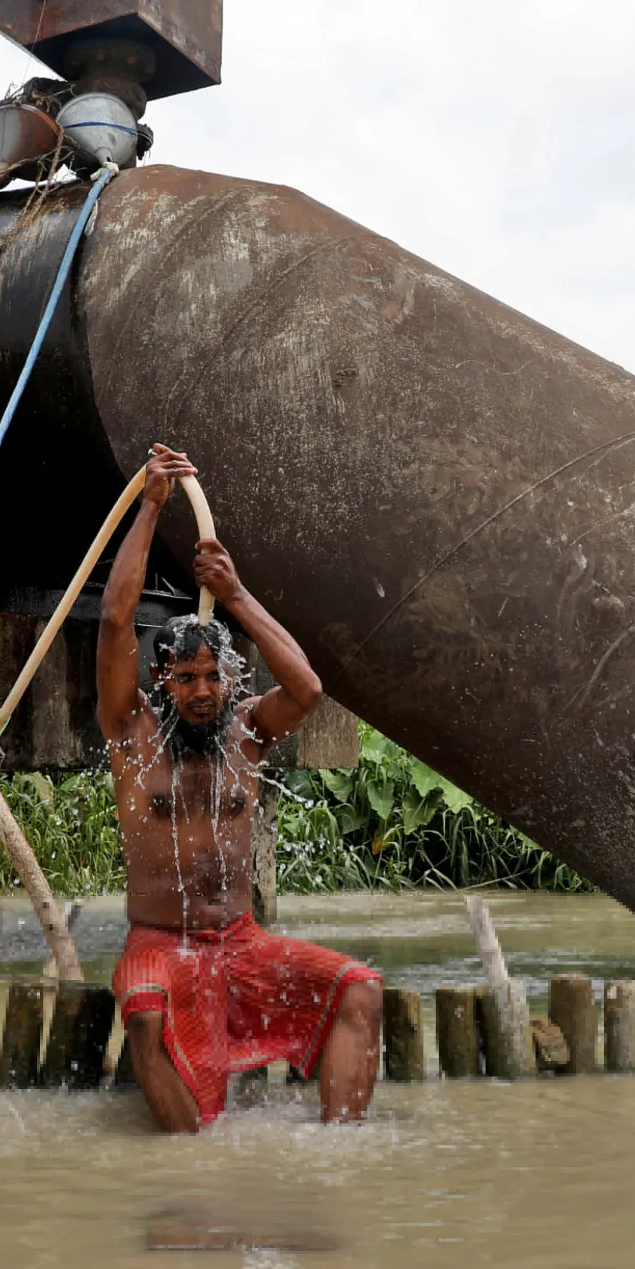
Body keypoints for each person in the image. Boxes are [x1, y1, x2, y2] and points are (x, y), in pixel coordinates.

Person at [99, 443, 384, 1132]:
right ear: (161, 682)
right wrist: (150, 507)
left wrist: (234, 593)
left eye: (213, 677)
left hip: (241, 942)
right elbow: (114, 621)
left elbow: (308, 687)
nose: (202, 692)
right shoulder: (132, 732)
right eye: (186, 679)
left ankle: (338, 1152)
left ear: (228, 678)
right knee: (141, 1010)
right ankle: (191, 1166)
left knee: (361, 989)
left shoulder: (247, 731)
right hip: (162, 945)